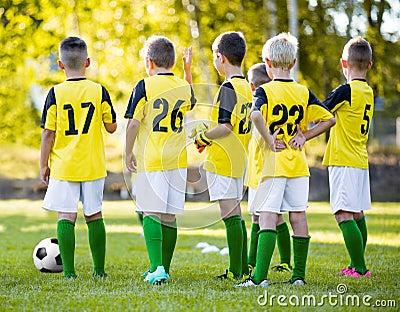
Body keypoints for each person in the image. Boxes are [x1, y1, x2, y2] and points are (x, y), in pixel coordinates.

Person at [235, 32, 336, 288]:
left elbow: (255, 116)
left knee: (268, 217)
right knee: (298, 216)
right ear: (293, 63)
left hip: (273, 165)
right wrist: (305, 137)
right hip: (298, 165)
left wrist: (270, 140)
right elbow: (330, 119)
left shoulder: (265, 90)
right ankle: (298, 276)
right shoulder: (303, 91)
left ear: (267, 63)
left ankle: (259, 278)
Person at [40, 37, 117, 279]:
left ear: (61, 64)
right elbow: (112, 126)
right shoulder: (98, 90)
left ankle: (69, 274)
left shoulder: (55, 93)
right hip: (93, 165)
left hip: (64, 166)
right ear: (88, 62)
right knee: (94, 215)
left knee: (66, 216)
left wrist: (43, 164)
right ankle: (99, 271)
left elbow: (47, 133)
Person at [125, 35, 195, 285]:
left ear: (149, 61)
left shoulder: (144, 86)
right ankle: (163, 267)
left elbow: (133, 123)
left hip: (152, 159)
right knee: (169, 216)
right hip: (177, 161)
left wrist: (127, 152)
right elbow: (190, 101)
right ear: (174, 63)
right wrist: (187, 72)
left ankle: (157, 268)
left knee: (150, 213)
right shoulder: (183, 86)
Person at [192, 31, 252, 281]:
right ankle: (243, 266)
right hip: (239, 160)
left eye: (215, 58)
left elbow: (226, 126)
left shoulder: (228, 87)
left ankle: (236, 270)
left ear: (221, 58)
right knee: (236, 216)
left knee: (230, 217)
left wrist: (203, 137)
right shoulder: (247, 87)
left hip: (224, 161)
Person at [322, 37, 373, 278]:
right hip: (360, 159)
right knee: (357, 214)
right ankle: (355, 264)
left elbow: (321, 111)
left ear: (344, 63)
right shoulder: (368, 92)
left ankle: (360, 268)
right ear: (369, 65)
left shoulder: (346, 90)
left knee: (343, 213)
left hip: (344, 159)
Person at [244, 63, 291, 274]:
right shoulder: (271, 102)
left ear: (252, 87)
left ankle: (284, 261)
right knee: (260, 215)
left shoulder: (261, 107)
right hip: (259, 170)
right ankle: (252, 261)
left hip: (266, 171)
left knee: (272, 216)